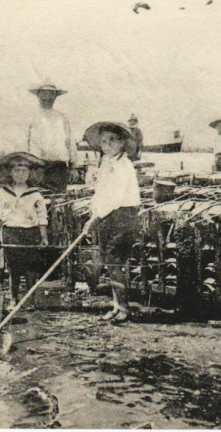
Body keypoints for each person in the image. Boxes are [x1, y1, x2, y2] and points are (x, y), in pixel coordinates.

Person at [82, 122, 141, 324]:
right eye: (104, 142)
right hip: (108, 215)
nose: (107, 145)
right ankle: (116, 306)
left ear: (122, 143)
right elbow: (101, 194)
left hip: (123, 215)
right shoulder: (106, 163)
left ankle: (123, 307)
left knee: (116, 262)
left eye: (112, 141)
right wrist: (94, 213)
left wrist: (94, 219)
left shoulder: (123, 165)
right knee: (110, 261)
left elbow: (115, 198)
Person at [0, 152, 49, 311]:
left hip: (30, 233)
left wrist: (43, 237)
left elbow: (42, 217)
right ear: (10, 172)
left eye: (24, 170)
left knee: (31, 269)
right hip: (11, 233)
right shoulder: (3, 193)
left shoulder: (35, 194)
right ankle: (14, 300)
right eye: (16, 170)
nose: (20, 174)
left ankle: (30, 300)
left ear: (30, 173)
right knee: (13, 269)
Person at [25, 84, 78, 192]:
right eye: (44, 94)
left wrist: (74, 167)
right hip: (36, 166)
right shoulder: (31, 116)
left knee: (57, 201)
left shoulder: (62, 117)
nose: (47, 98)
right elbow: (24, 142)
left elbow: (69, 142)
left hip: (59, 168)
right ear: (38, 95)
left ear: (55, 96)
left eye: (51, 94)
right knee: (36, 200)